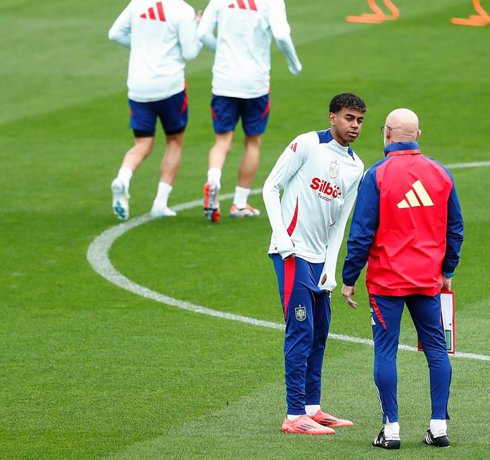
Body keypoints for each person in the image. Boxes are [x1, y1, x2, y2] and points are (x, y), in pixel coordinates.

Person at [340, 108, 464, 449]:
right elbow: (456, 229)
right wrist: (447, 271)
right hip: (427, 281)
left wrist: (349, 276)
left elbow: (362, 233)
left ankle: (391, 429)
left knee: (385, 351)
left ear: (388, 134)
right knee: (437, 350)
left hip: (387, 282)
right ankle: (439, 426)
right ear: (418, 136)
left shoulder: (377, 175)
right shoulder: (440, 173)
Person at [263, 93, 367, 435]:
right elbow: (270, 187)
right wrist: (282, 237)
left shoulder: (356, 166)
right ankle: (294, 415)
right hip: (292, 254)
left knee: (320, 332)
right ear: (332, 117)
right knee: (301, 330)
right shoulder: (307, 144)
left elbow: (340, 223)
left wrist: (330, 266)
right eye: (349, 118)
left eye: (360, 120)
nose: (354, 125)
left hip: (319, 260)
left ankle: (311, 407)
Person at [197, 0, 302, 222]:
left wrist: (221, 51)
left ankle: (213, 179)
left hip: (224, 81)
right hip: (255, 83)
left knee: (222, 141)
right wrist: (294, 63)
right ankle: (240, 203)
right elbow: (281, 35)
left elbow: (202, 33)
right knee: (252, 142)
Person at [108, 0, 202, 220]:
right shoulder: (183, 10)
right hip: (170, 86)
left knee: (142, 143)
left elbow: (115, 34)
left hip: (138, 86)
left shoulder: (138, 4)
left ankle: (123, 177)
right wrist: (196, 28)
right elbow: (190, 53)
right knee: (174, 141)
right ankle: (160, 203)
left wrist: (141, 47)